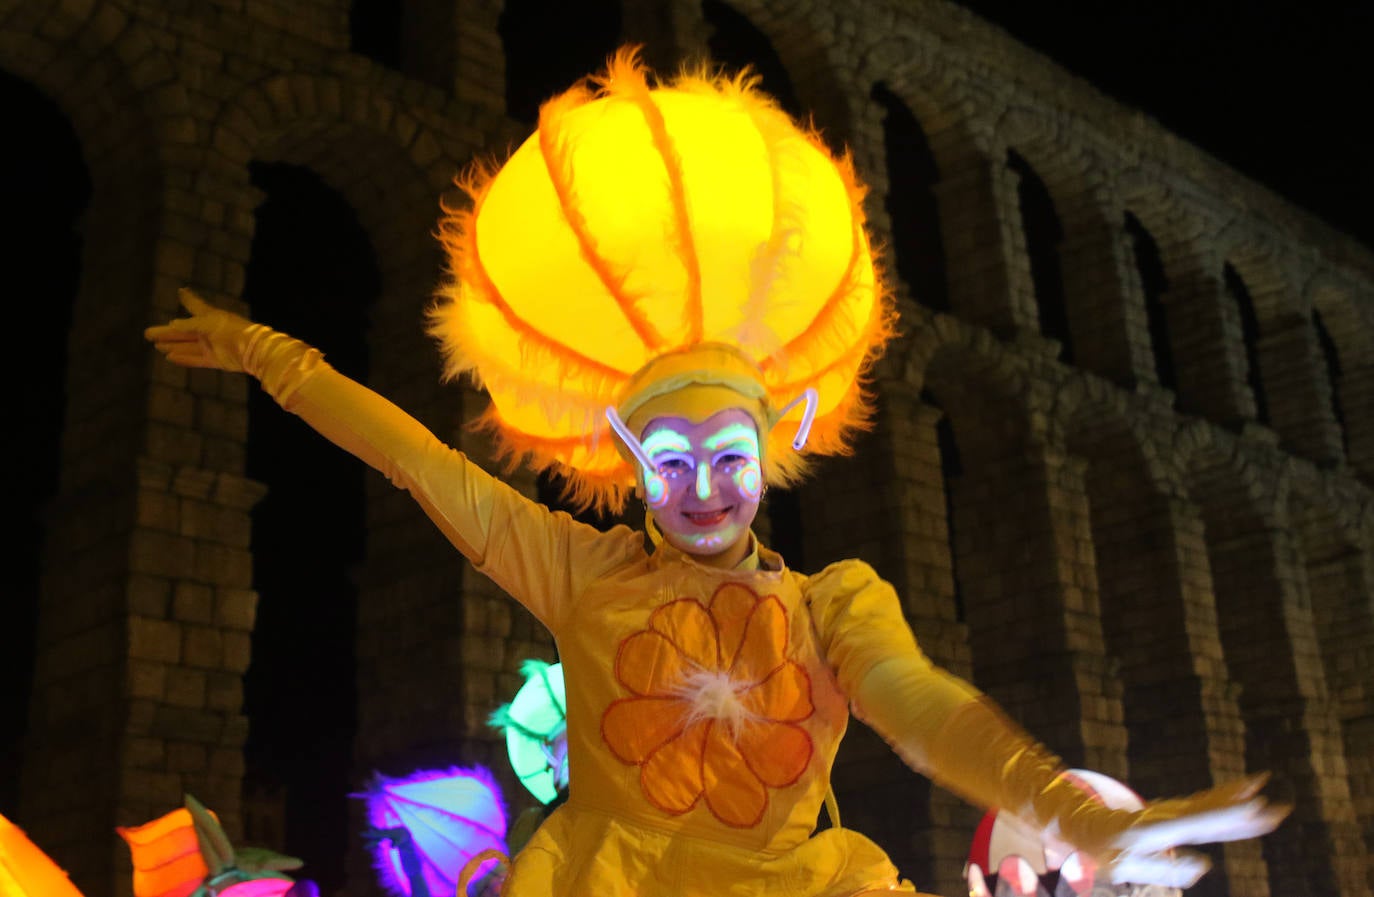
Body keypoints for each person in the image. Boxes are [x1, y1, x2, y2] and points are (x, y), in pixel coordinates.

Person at [146, 50, 1285, 897]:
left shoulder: (831, 602)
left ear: (773, 452)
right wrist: (271, 356)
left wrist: (1060, 809)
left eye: (731, 459)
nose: (704, 489)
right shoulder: (576, 569)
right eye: (676, 462)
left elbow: (919, 708)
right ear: (633, 462)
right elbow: (415, 463)